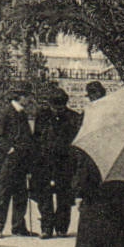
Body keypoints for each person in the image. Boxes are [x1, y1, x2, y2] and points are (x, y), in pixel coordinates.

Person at [31, 85, 81, 238]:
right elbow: (36, 138)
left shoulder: (74, 117)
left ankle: (61, 227)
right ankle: (46, 227)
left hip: (65, 162)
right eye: (54, 107)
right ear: (50, 104)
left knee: (64, 195)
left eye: (60, 107)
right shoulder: (42, 115)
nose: (57, 110)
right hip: (44, 161)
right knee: (44, 195)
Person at [0, 85, 36, 238]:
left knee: (21, 194)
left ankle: (18, 227)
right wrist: (9, 149)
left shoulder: (21, 113)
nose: (30, 100)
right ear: (19, 97)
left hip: (22, 160)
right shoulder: (5, 112)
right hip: (8, 160)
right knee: (4, 193)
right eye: (27, 96)